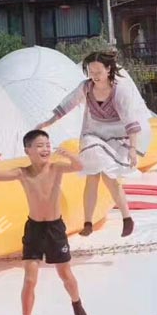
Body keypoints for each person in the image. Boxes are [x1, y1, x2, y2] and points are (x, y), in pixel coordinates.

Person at [0, 131, 88, 315]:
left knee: (65, 274)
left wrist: (68, 154)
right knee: (30, 279)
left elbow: (79, 166)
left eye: (48, 145)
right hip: (34, 229)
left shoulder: (56, 167)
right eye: (40, 145)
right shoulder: (23, 172)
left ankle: (76, 303)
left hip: (55, 229)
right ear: (28, 151)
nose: (46, 149)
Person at [35, 51, 144, 238]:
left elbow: (131, 121)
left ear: (108, 69)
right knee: (92, 176)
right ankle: (88, 222)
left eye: (98, 71)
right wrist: (48, 122)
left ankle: (127, 218)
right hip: (93, 134)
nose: (94, 75)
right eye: (91, 71)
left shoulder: (120, 91)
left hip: (116, 137)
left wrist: (133, 149)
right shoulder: (86, 88)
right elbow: (69, 103)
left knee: (109, 177)